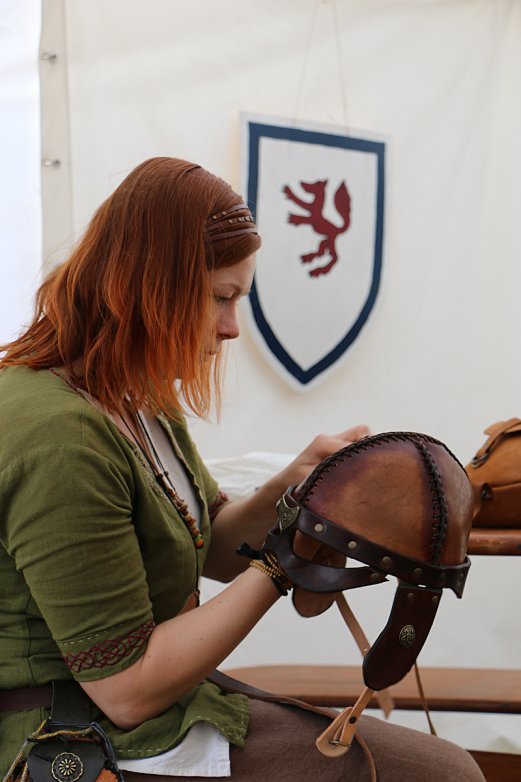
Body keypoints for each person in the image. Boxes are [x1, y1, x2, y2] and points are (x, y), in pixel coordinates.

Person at [0, 157, 483, 781]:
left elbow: (212, 546)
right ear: (145, 288)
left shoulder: (134, 398)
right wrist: (286, 562)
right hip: (69, 738)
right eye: (219, 298)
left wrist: (296, 490)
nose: (231, 328)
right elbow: (127, 689)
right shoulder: (59, 438)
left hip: (159, 707)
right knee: (441, 776)